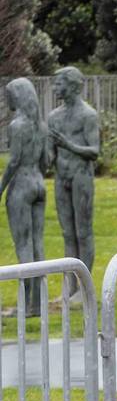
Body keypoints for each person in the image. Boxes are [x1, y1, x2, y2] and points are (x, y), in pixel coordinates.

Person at [47, 67, 101, 299]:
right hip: (62, 177)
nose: (55, 88)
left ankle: (84, 289)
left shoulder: (88, 115)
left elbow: (94, 151)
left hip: (81, 177)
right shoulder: (53, 117)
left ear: (73, 85)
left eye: (59, 84)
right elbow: (50, 155)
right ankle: (69, 288)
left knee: (83, 233)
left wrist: (69, 145)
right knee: (67, 234)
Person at [1, 78, 50, 314]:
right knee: (37, 243)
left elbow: (13, 162)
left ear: (18, 96)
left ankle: (25, 304)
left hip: (21, 185)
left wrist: (1, 188)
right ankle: (38, 303)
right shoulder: (41, 126)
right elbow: (46, 162)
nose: (6, 98)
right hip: (39, 183)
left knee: (23, 245)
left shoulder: (17, 125)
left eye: (8, 94)